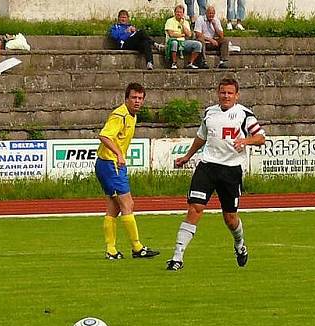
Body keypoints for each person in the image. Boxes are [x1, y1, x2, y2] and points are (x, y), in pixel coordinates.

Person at [166, 78, 266, 272]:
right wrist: (187, 156)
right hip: (207, 167)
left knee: (230, 218)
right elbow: (201, 137)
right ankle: (177, 257)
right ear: (217, 93)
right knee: (195, 208)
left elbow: (261, 137)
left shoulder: (245, 115)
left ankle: (240, 244)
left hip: (231, 171)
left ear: (237, 95)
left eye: (230, 93)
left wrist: (245, 141)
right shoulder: (209, 113)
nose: (225, 96)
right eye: (222, 92)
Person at [95, 83, 160, 261]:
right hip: (111, 164)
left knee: (114, 207)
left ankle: (111, 250)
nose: (137, 101)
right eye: (134, 98)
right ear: (126, 99)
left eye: (140, 98)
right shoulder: (120, 115)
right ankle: (137, 247)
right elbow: (104, 135)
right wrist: (118, 154)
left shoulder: (132, 115)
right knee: (127, 204)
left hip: (109, 164)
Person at [164, 4, 203, 70]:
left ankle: (190, 63)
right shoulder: (169, 21)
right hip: (172, 41)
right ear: (174, 12)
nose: (178, 14)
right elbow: (171, 34)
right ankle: (174, 63)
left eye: (180, 12)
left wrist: (182, 24)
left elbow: (189, 34)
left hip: (183, 42)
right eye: (177, 12)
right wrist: (181, 35)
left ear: (183, 13)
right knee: (174, 43)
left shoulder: (185, 22)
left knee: (198, 45)